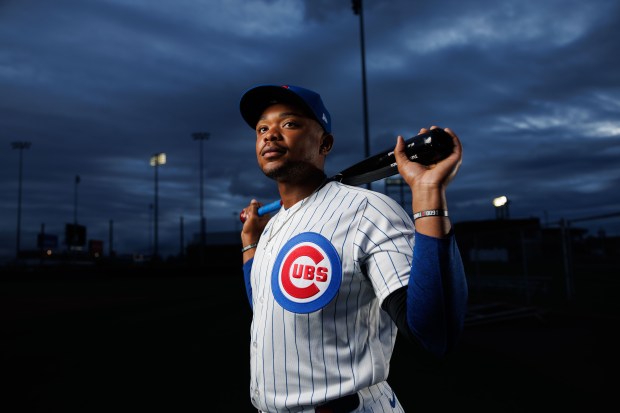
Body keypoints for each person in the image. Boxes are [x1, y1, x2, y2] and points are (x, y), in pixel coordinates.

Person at [238, 84, 468, 413]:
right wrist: (251, 245)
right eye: (262, 128)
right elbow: (264, 308)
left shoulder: (367, 210)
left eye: (289, 124)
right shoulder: (273, 225)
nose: (270, 135)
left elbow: (434, 334)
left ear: (325, 143)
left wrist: (429, 194)